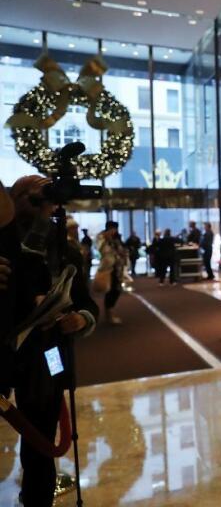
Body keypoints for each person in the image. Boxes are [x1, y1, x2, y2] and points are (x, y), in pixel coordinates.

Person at [3, 175, 97, 505]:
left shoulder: (66, 251)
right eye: (31, 198)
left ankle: (37, 499)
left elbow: (87, 304)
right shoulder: (4, 245)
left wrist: (79, 320)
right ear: (11, 201)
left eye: (45, 199)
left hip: (46, 356)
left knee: (40, 439)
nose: (41, 206)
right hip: (5, 352)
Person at [96, 221, 127, 324]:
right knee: (111, 290)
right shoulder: (101, 237)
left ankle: (110, 312)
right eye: (112, 229)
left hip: (118, 267)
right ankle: (109, 313)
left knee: (117, 289)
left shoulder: (117, 238)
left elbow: (122, 249)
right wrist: (107, 240)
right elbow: (102, 250)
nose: (114, 231)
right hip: (108, 268)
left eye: (115, 229)